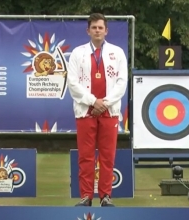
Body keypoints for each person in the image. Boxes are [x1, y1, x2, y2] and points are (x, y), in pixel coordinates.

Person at [66, 13, 128, 207]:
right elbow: (72, 83)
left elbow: (121, 82)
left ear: (106, 30)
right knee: (85, 156)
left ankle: (105, 196)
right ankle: (86, 196)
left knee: (108, 155)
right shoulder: (78, 53)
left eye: (100, 27)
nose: (97, 31)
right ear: (88, 30)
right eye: (94, 27)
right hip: (86, 111)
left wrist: (104, 103)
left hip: (109, 112)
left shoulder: (117, 52)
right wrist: (93, 102)